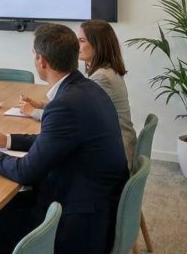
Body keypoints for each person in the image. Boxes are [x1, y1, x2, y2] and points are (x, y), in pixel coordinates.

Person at [0, 23, 129, 254]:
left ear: (42, 62)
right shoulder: (85, 89)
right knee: (5, 210)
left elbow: (26, 172)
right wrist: (7, 140)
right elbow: (54, 143)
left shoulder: (66, 104)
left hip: (86, 221)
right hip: (93, 199)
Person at [19, 19, 137, 165]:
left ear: (97, 45)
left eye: (81, 41)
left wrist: (33, 111)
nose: (76, 46)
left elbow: (70, 117)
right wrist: (42, 105)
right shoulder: (106, 70)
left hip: (116, 152)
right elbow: (76, 110)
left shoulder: (101, 77)